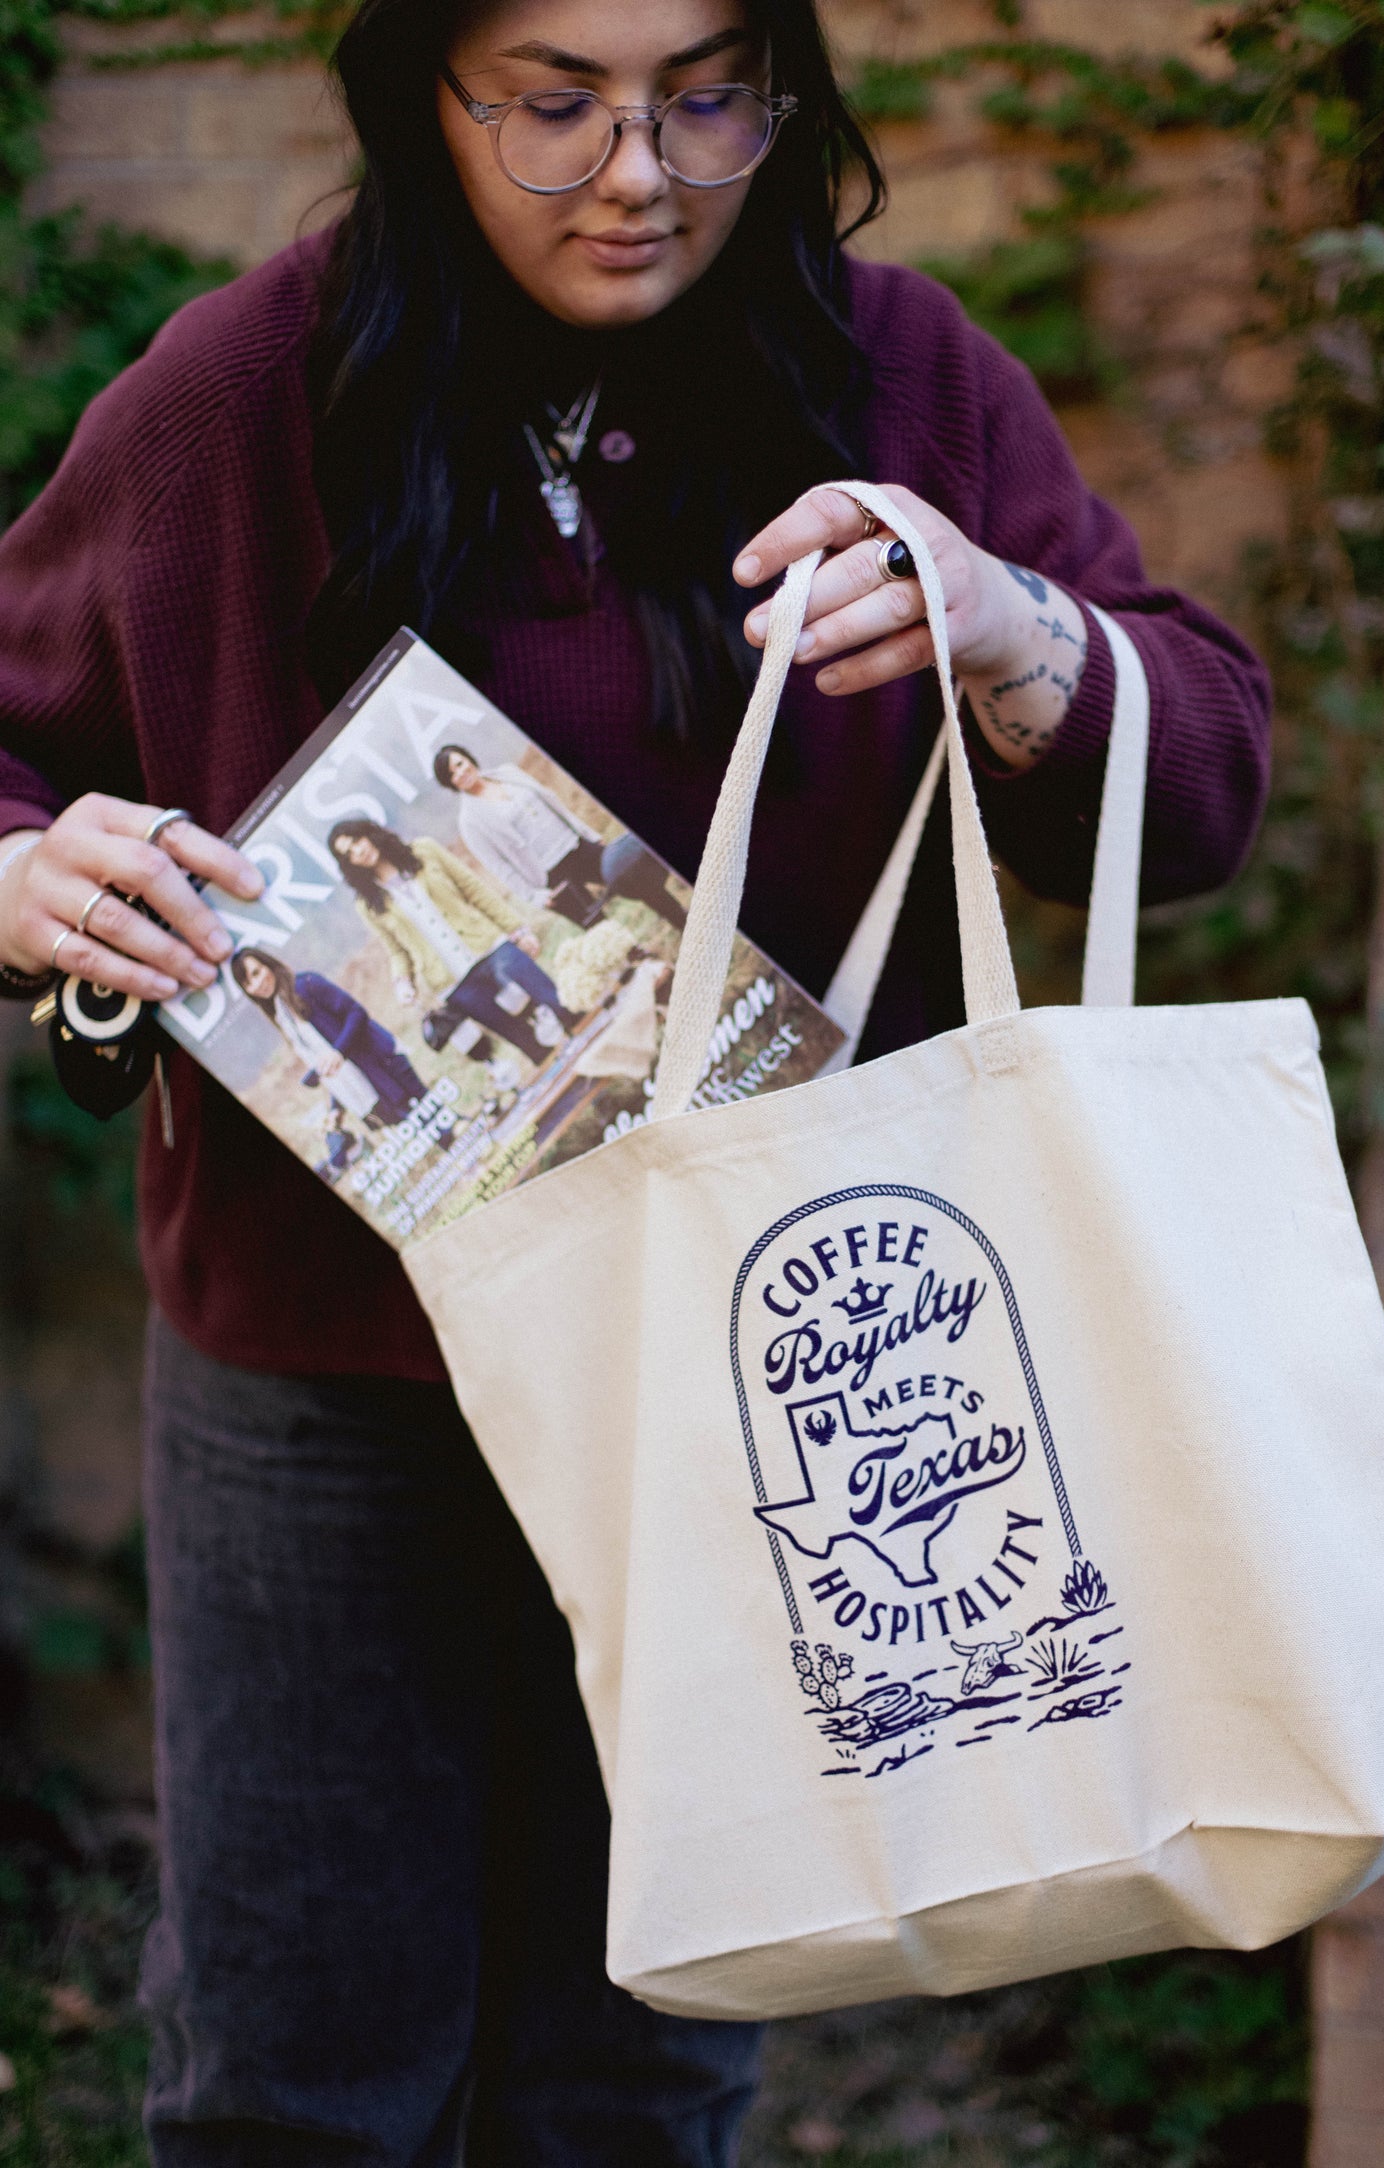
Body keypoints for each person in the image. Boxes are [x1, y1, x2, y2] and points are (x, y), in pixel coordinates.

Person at [0, 0, 1271, 2159]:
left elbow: (1205, 774)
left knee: (646, 2068)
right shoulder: (240, 395)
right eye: (553, 100)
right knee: (297, 2084)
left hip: (749, 1381)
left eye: (706, 92)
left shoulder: (896, 381)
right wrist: (30, 872)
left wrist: (1000, 618)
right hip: (328, 1381)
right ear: (423, 91)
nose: (638, 167)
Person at [327, 817, 580, 1063]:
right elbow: (396, 951)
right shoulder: (368, 905)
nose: (359, 851)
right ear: (348, 864)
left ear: (369, 833)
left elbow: (474, 890)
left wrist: (517, 929)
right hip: (452, 981)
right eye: (349, 853)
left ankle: (594, 1042)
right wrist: (403, 982)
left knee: (554, 1001)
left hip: (490, 947)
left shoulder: (424, 850)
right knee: (524, 1039)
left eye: (357, 841)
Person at [435, 742, 689, 929]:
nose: (461, 772)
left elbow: (553, 803)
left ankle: (683, 920)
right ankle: (648, 973)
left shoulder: (508, 773)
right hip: (550, 875)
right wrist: (532, 895)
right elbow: (498, 866)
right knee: (598, 926)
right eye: (452, 774)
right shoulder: (469, 821)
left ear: (468, 758)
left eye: (459, 763)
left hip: (575, 845)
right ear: (451, 784)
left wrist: (587, 833)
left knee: (633, 877)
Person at [232, 945, 434, 1129]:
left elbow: (356, 1013)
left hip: (385, 1067)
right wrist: (335, 1108)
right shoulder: (283, 1017)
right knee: (425, 1133)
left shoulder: (306, 985)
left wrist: (339, 1052)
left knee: (439, 1122)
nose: (257, 984)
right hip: (369, 1091)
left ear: (268, 965)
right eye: (248, 983)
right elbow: (327, 1067)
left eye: (256, 972)